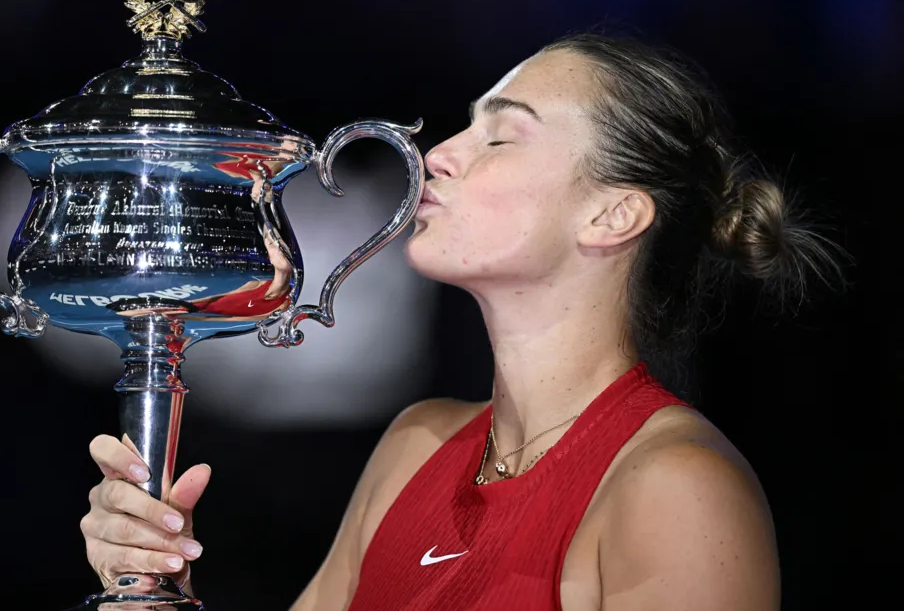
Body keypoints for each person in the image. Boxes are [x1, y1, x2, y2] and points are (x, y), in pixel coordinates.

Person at [79, 33, 840, 609]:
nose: (439, 153)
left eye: (501, 136)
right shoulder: (414, 446)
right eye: (466, 129)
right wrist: (149, 585)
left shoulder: (676, 490)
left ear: (613, 214)